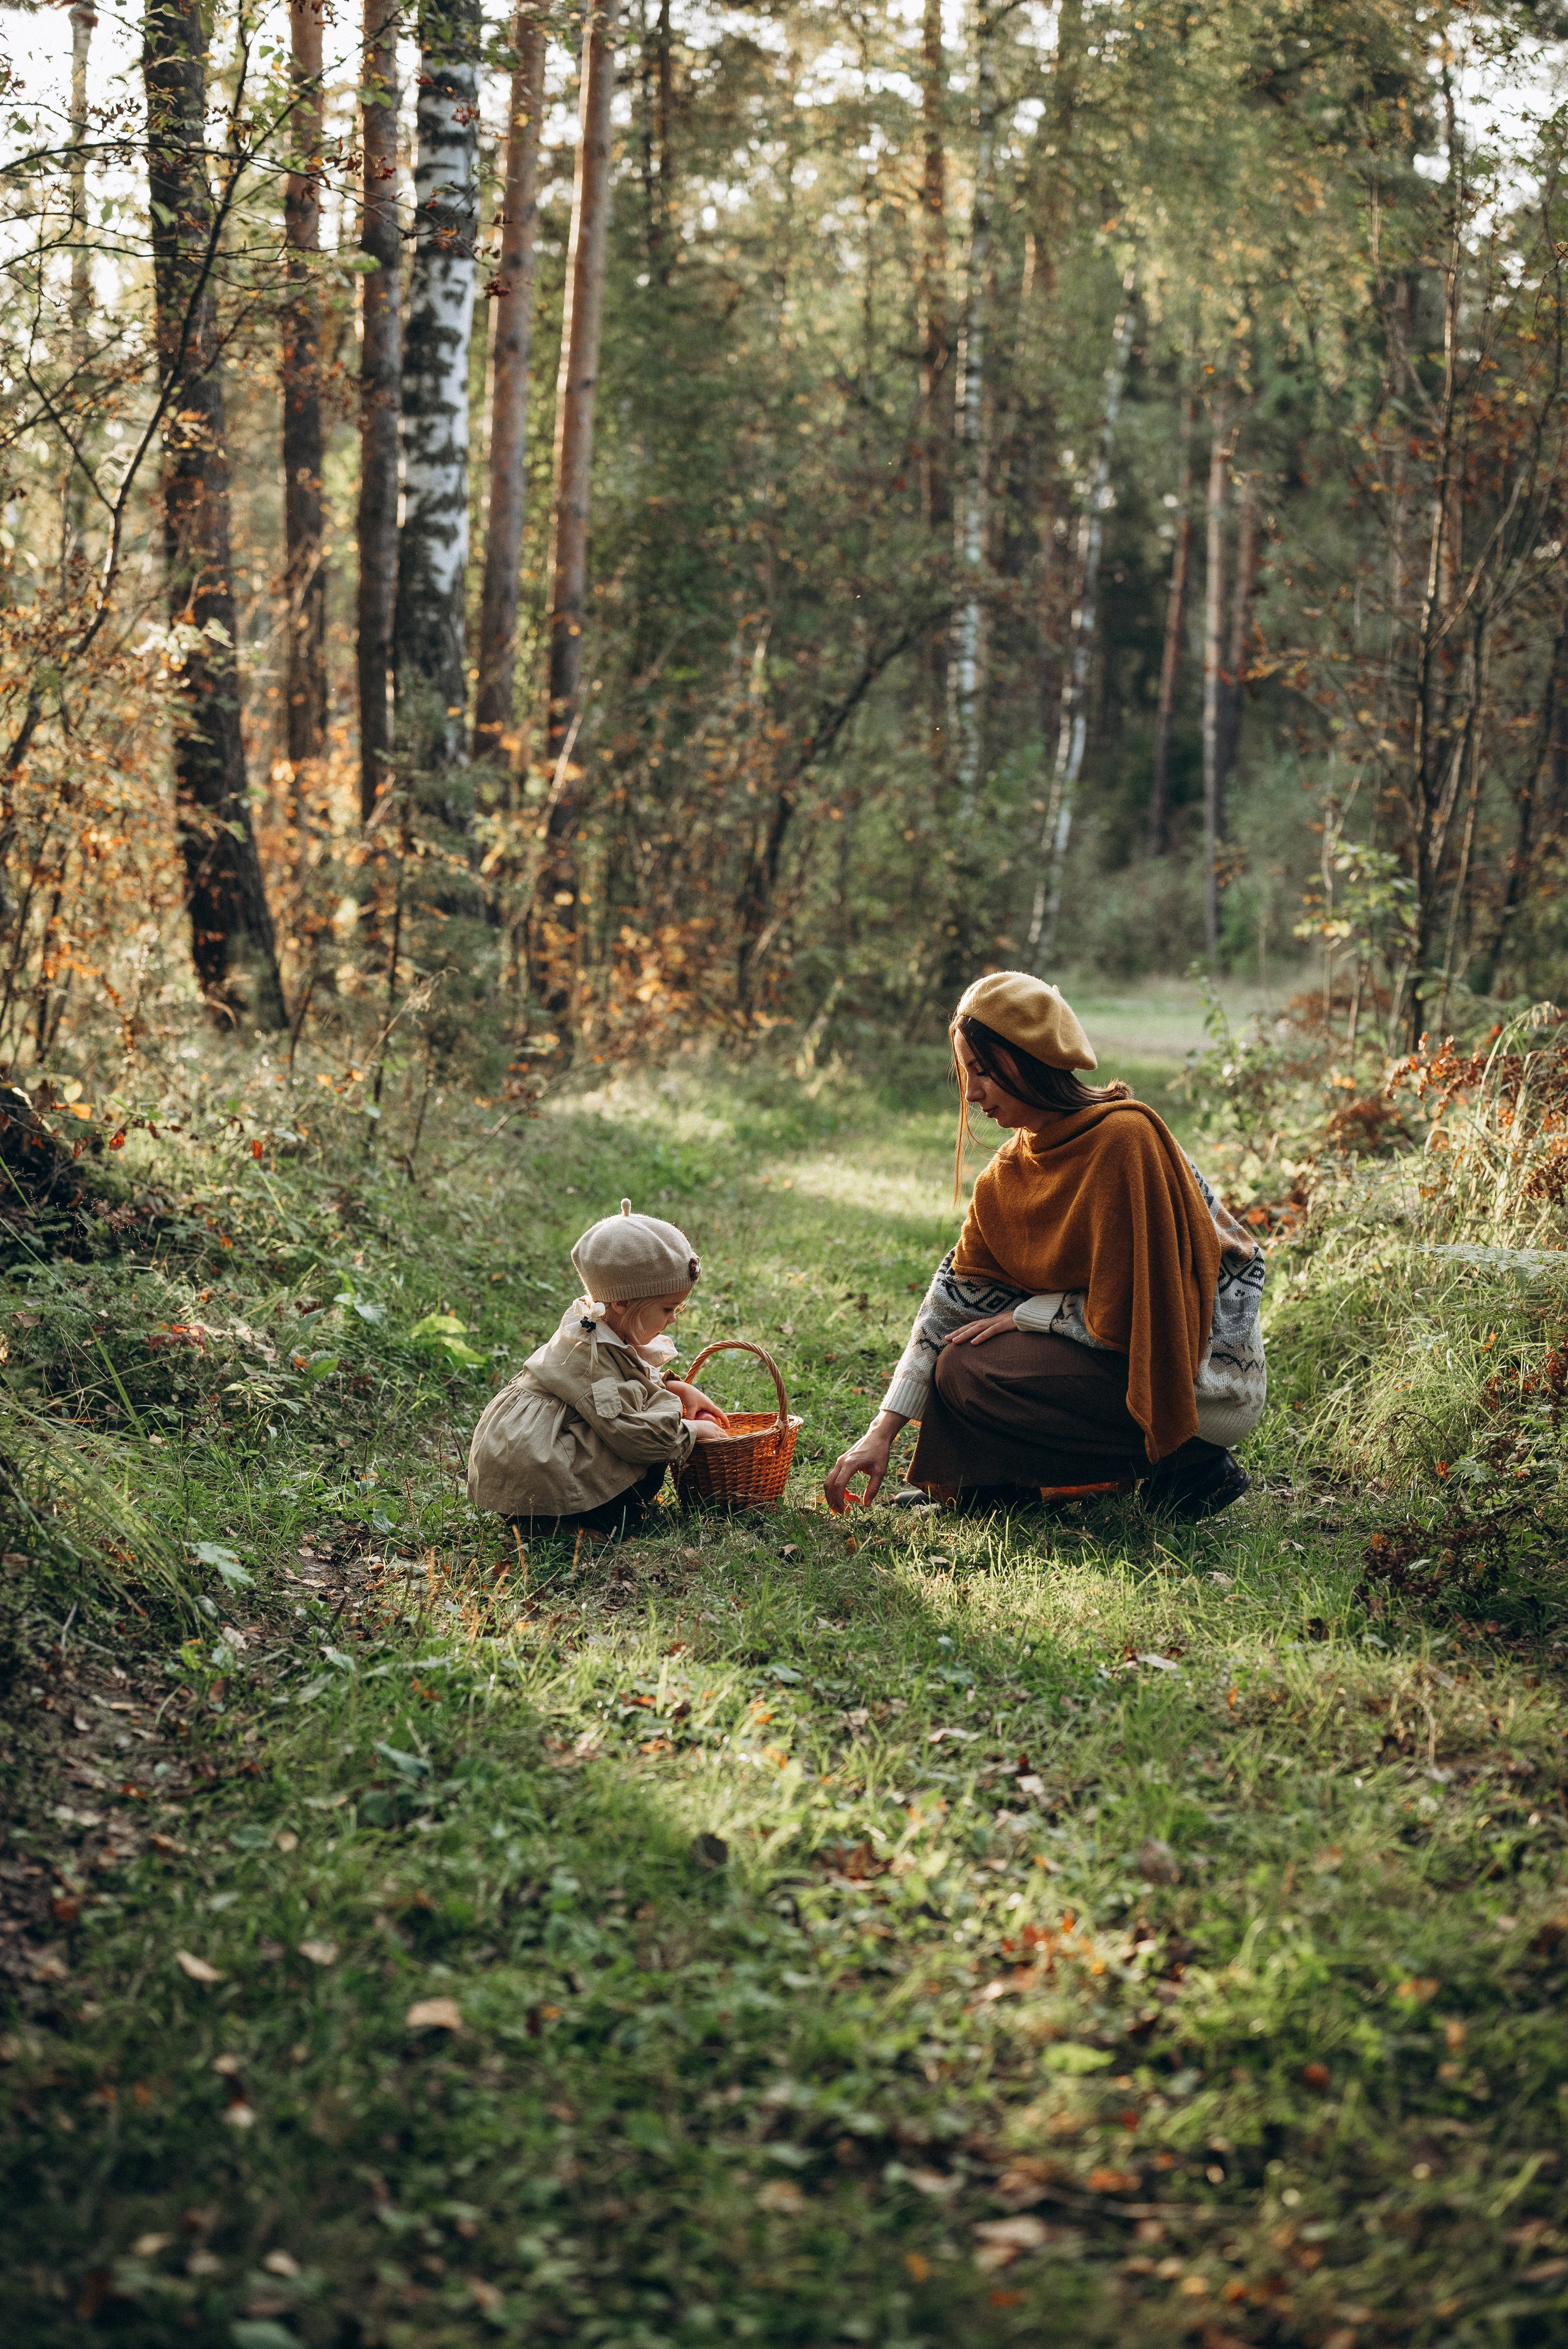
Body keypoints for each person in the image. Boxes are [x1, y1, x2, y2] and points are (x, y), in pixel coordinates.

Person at [824, 973, 1267, 1521]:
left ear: (1029, 1061)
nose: (972, 1092)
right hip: (1112, 1359)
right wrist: (880, 1432)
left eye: (984, 1072)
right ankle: (991, 1490)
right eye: (965, 1073)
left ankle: (1190, 1469)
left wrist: (1035, 1314)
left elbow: (1155, 1307)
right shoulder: (1006, 1175)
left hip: (1201, 1380)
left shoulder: (1124, 1140)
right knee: (958, 1365)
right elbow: (950, 1304)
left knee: (977, 1371)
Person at [467, 1199, 729, 1542]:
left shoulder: (602, 1328)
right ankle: (550, 1523)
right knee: (652, 1448)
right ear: (622, 1301)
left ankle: (562, 1514)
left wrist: (674, 1387)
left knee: (647, 1446)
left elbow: (628, 1380)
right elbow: (632, 1436)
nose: (673, 1318)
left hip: (535, 1457)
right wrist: (691, 1431)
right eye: (667, 1308)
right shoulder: (588, 1349)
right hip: (534, 1465)